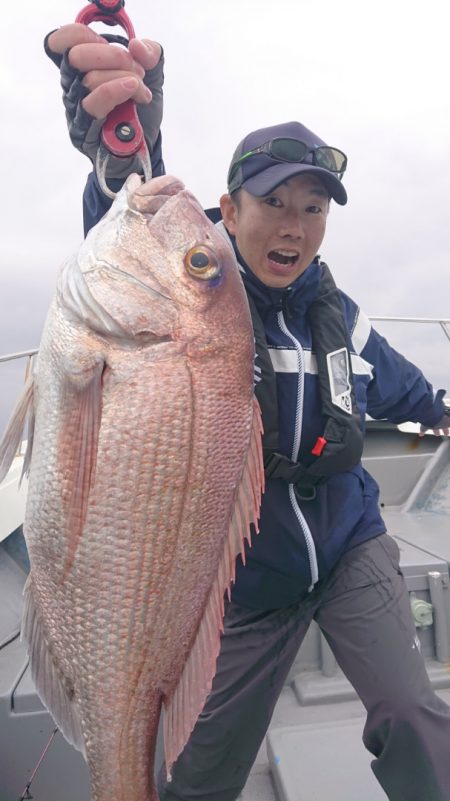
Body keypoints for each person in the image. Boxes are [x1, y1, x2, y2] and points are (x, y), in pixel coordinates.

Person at [46, 24, 450, 801]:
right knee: (199, 776)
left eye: (314, 209)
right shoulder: (195, 296)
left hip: (347, 549)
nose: (295, 225)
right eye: (273, 203)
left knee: (412, 710)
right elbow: (148, 262)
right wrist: (121, 166)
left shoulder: (343, 317)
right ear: (228, 208)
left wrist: (442, 408)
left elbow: (409, 392)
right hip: (244, 585)